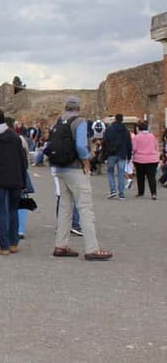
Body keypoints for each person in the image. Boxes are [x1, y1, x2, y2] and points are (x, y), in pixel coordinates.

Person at [50, 96, 113, 261]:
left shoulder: (59, 122)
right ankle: (92, 248)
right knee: (85, 207)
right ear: (78, 108)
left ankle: (61, 244)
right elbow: (80, 145)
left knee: (65, 207)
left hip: (60, 167)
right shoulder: (79, 122)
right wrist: (86, 162)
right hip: (75, 168)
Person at [0, 110, 28, 255]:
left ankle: (4, 245)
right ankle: (14, 243)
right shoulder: (14, 136)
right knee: (13, 210)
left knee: (2, 211)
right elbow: (22, 159)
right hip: (15, 177)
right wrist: (23, 179)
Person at [102, 114, 132, 199]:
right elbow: (129, 144)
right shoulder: (125, 130)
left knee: (110, 172)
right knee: (121, 174)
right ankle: (121, 193)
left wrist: (105, 153)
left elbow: (104, 142)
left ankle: (113, 190)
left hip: (111, 154)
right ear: (122, 120)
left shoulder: (109, 129)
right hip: (122, 154)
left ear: (115, 119)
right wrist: (129, 156)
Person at [132, 120, 159, 200]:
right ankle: (153, 193)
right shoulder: (152, 136)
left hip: (139, 159)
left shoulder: (136, 137)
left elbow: (134, 148)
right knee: (151, 177)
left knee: (140, 176)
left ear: (139, 129)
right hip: (152, 159)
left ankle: (141, 192)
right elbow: (156, 147)